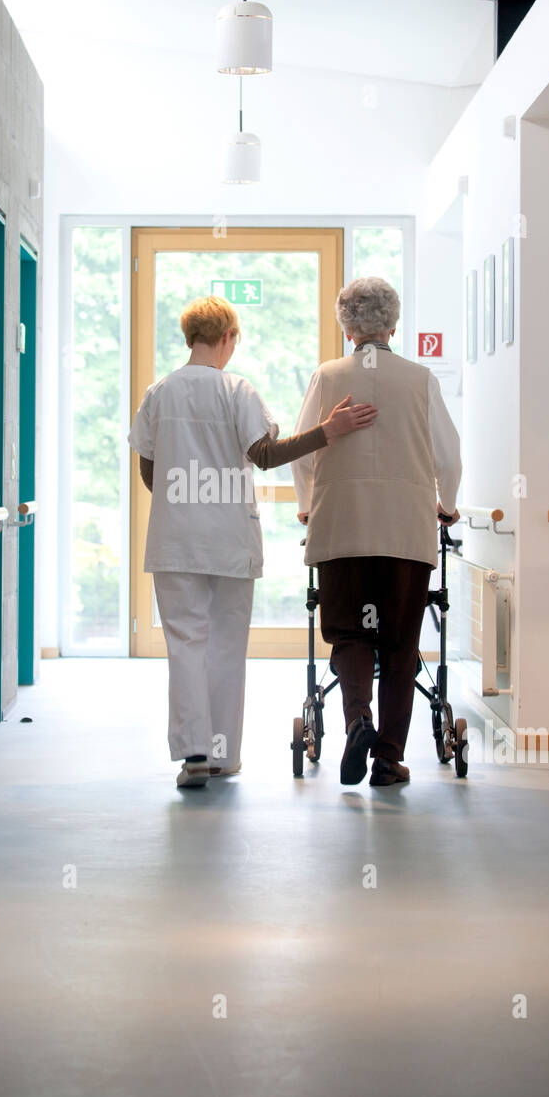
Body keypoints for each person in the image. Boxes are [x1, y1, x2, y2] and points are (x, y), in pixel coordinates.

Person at [128, 295, 377, 789]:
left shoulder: (159, 391)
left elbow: (149, 469)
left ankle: (194, 756)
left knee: (186, 645)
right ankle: (223, 755)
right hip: (230, 541)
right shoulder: (236, 388)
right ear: (228, 338)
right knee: (225, 647)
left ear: (190, 338)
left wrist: (186, 502)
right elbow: (264, 454)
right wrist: (328, 431)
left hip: (176, 540)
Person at [292, 276, 462, 787]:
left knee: (349, 632)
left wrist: (306, 508)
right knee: (398, 641)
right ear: (393, 324)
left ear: (348, 328)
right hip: (405, 534)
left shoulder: (327, 375)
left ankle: (356, 719)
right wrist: (446, 506)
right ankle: (388, 758)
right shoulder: (419, 379)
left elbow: (303, 452)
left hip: (342, 528)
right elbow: (449, 457)